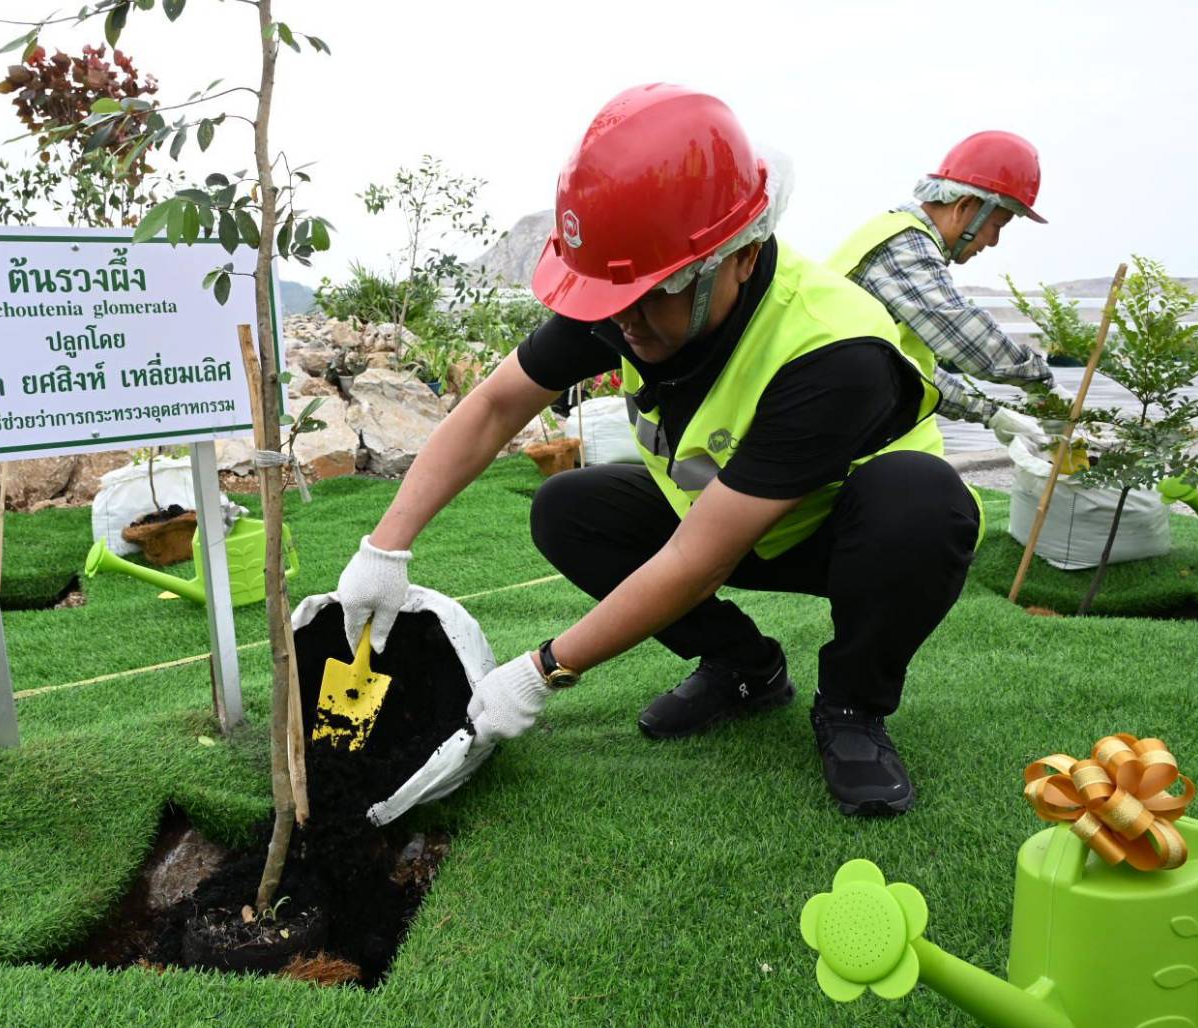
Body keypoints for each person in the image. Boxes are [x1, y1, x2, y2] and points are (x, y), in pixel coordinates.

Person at [343, 84, 979, 821]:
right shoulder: (624, 297)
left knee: (921, 504)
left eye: (653, 294)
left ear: (740, 257)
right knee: (567, 509)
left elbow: (697, 558)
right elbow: (491, 408)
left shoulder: (832, 350)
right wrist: (385, 548)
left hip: (845, 534)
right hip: (719, 513)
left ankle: (850, 708)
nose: (624, 320)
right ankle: (745, 669)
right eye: (611, 297)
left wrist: (542, 669)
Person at [830, 132, 1069, 447]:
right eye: (997, 226)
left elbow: (909, 371)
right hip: (833, 424)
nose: (994, 241)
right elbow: (966, 335)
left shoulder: (893, 233)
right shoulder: (905, 248)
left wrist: (991, 412)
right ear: (965, 206)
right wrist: (1043, 384)